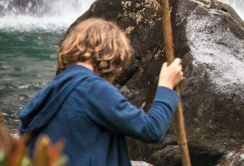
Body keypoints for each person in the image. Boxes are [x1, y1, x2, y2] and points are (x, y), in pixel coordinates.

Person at [19, 18, 183, 166]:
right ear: (112, 55)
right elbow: (151, 129)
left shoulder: (51, 90)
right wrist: (166, 86)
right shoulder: (94, 89)